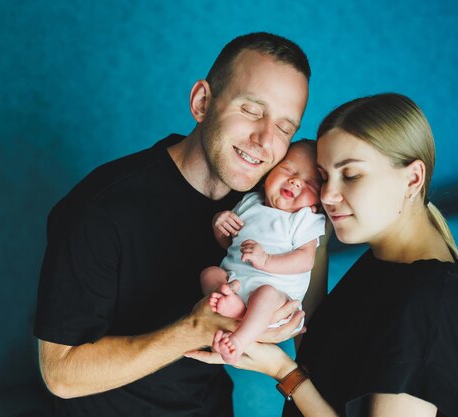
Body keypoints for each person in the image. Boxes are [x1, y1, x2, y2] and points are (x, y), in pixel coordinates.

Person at [33, 32, 324, 417]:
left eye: (285, 128)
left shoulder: (273, 203)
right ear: (202, 102)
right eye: (252, 110)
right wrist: (195, 329)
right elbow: (60, 374)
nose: (264, 140)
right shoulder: (100, 208)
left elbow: (309, 325)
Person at [186, 93, 458, 417]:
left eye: (350, 175)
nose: (327, 194)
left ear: (412, 179)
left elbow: (304, 372)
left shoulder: (427, 304)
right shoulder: (384, 261)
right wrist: (316, 241)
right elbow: (320, 351)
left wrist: (284, 373)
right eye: (324, 177)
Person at [200, 140, 326, 364]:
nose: (296, 182)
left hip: (278, 303)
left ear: (317, 201)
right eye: (288, 170)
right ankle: (235, 308)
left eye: (310, 184)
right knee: (209, 274)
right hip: (237, 286)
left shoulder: (305, 219)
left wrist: (266, 260)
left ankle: (238, 341)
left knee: (266, 293)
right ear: (269, 172)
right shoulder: (250, 202)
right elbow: (230, 245)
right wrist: (219, 225)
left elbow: (305, 260)